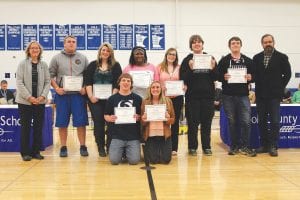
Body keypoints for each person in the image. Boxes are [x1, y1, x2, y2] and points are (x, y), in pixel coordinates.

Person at [49, 35, 89, 157]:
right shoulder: (56, 58)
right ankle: (63, 147)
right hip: (62, 95)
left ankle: (82, 146)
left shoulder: (83, 58)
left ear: (76, 44)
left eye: (73, 42)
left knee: (81, 122)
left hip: (78, 96)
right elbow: (50, 76)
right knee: (62, 122)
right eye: (69, 42)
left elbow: (88, 76)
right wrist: (56, 88)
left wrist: (85, 88)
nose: (71, 43)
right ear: (64, 44)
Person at [179, 34, 218, 156]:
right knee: (193, 124)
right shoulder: (187, 60)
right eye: (194, 42)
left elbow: (216, 77)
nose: (196, 44)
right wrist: (191, 68)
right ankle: (192, 147)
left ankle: (207, 147)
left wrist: (212, 68)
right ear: (191, 46)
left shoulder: (210, 58)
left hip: (208, 97)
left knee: (206, 123)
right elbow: (183, 78)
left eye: (199, 42)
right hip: (192, 97)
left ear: (202, 44)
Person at [253, 34, 291, 157]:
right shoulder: (256, 58)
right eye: (265, 42)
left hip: (275, 96)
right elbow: (254, 75)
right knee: (262, 121)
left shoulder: (282, 57)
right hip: (261, 96)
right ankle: (264, 145)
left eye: (270, 41)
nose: (268, 44)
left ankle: (273, 146)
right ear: (262, 44)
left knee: (274, 121)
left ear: (274, 42)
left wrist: (280, 88)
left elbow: (288, 74)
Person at [217, 36, 256, 157]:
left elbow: (255, 75)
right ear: (229, 46)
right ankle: (233, 146)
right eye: (233, 43)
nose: (235, 45)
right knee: (232, 122)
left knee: (245, 121)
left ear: (240, 45)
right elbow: (217, 75)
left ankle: (244, 146)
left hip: (243, 95)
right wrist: (223, 77)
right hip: (228, 96)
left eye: (237, 43)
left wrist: (251, 77)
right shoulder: (224, 61)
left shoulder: (248, 60)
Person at [85, 42, 122, 157]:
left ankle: (110, 145)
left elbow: (117, 83)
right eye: (103, 50)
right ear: (100, 52)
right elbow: (88, 82)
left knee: (111, 123)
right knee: (99, 123)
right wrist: (91, 96)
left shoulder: (116, 66)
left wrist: (112, 98)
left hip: (110, 100)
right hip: (95, 100)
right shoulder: (92, 65)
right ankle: (100, 147)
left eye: (107, 50)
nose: (105, 52)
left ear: (111, 53)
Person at [15, 41, 50, 161]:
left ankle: (36, 151)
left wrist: (42, 97)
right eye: (32, 48)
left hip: (40, 101)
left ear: (40, 51)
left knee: (38, 127)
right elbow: (19, 82)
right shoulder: (22, 64)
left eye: (37, 48)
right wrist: (29, 97)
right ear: (28, 51)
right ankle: (25, 153)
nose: (35, 50)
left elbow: (47, 82)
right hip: (25, 102)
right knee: (25, 127)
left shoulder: (44, 65)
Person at [104, 73, 142, 165]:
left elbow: (142, 116)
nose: (126, 83)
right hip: (117, 136)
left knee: (134, 161)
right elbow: (106, 115)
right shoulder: (112, 99)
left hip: (133, 136)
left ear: (131, 84)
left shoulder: (138, 99)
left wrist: (139, 117)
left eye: (128, 81)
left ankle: (126, 151)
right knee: (114, 161)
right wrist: (110, 118)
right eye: (123, 80)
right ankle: (123, 151)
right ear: (119, 83)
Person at [156, 48, 183, 155]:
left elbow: (184, 81)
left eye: (174, 55)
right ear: (166, 55)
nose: (172, 56)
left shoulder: (180, 67)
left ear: (176, 57)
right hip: (163, 98)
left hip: (177, 98)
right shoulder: (159, 67)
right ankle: (163, 146)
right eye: (170, 54)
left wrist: (184, 86)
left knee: (175, 122)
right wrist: (161, 89)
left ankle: (174, 148)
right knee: (163, 121)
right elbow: (156, 82)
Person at [141, 81, 175, 164]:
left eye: (157, 87)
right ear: (150, 89)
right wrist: (144, 119)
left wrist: (167, 119)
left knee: (166, 160)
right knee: (153, 160)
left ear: (161, 89)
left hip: (164, 135)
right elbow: (142, 123)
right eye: (153, 87)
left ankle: (160, 151)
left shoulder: (168, 101)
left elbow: (173, 120)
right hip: (151, 135)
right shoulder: (145, 102)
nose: (155, 89)